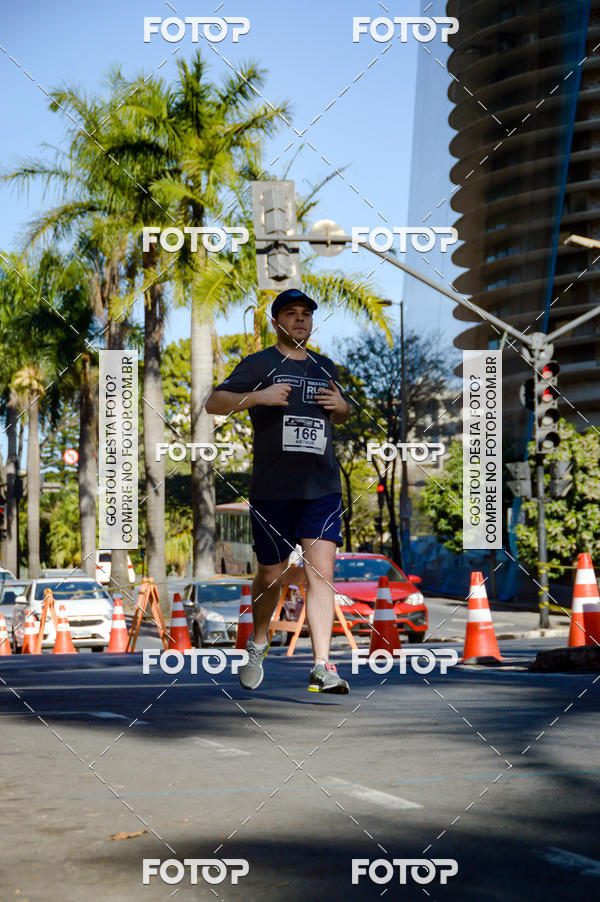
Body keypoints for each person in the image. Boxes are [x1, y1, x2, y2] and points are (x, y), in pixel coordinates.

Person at [205, 288, 351, 693]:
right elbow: (213, 402)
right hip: (273, 488)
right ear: (277, 322)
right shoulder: (260, 364)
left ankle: (322, 664)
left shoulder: (325, 367)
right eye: (291, 314)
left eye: (306, 314)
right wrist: (261, 397)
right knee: (271, 573)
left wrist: (340, 407)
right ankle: (258, 642)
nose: (300, 320)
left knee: (320, 573)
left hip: (321, 486)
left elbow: (343, 411)